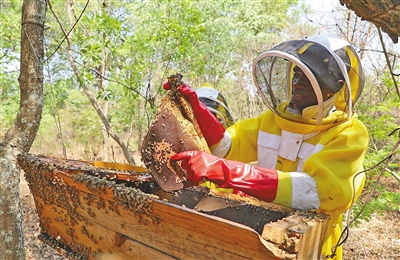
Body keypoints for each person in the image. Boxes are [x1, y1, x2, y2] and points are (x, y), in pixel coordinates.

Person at [162, 35, 369, 259]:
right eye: (297, 73)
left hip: (314, 244)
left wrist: (229, 172)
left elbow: (319, 192)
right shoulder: (271, 121)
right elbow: (227, 148)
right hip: (264, 232)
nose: (297, 84)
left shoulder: (349, 134)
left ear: (334, 87)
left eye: (310, 78)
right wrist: (198, 109)